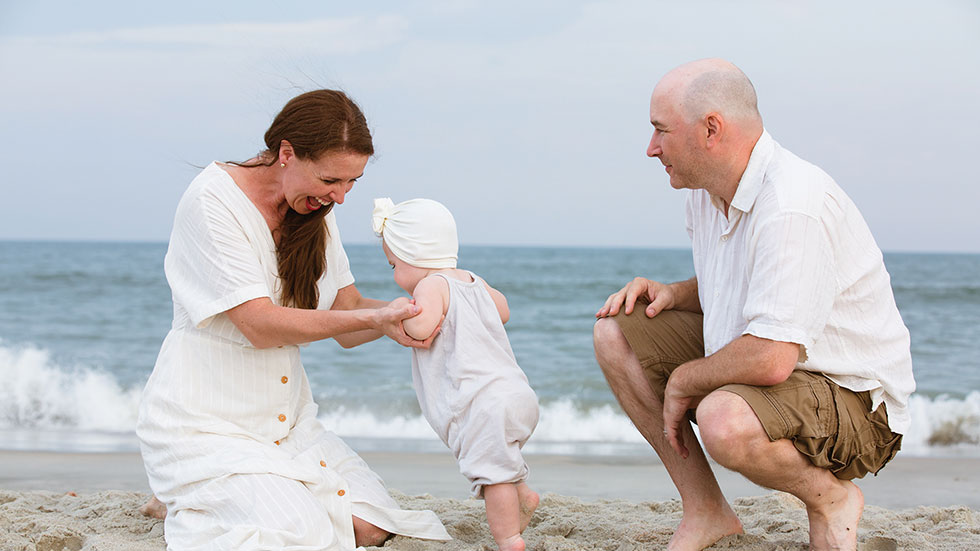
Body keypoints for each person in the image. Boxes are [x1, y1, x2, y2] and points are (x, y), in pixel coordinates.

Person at [593, 59, 915, 551]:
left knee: (724, 419)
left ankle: (832, 499)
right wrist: (677, 293)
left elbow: (771, 356)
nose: (651, 148)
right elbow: (744, 284)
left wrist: (683, 380)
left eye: (661, 130)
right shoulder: (705, 191)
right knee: (617, 331)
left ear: (711, 129)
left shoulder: (790, 203)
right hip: (785, 377)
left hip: (856, 402)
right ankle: (706, 511)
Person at [136, 90, 452, 550]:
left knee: (372, 526)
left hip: (287, 426)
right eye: (331, 179)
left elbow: (346, 309)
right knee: (305, 535)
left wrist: (430, 308)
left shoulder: (314, 204)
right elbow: (259, 325)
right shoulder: (212, 201)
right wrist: (379, 317)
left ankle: (209, 495)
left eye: (352, 183)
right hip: (206, 424)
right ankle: (186, 494)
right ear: (286, 153)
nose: (341, 197)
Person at [371, 197, 540, 551]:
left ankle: (509, 539)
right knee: (501, 458)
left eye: (393, 265)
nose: (394, 274)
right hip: (515, 394)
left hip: (482, 404)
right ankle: (523, 495)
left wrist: (400, 312)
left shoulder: (430, 286)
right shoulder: (473, 280)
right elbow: (504, 310)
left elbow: (420, 329)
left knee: (491, 476)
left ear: (412, 256)